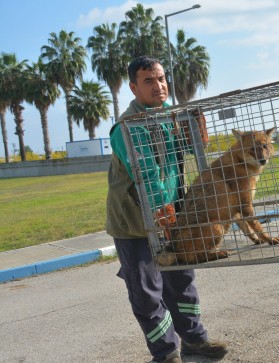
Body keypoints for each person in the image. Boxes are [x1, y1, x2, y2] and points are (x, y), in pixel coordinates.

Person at [106, 56, 228, 363]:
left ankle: (195, 342)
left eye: (161, 79)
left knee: (182, 281)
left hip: (174, 216)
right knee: (147, 291)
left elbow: (188, 152)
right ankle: (165, 353)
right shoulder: (125, 128)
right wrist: (164, 210)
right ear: (133, 87)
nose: (158, 85)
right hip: (136, 223)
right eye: (149, 81)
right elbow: (145, 174)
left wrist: (197, 136)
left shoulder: (169, 117)